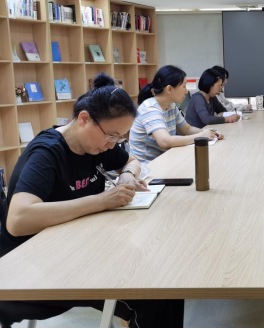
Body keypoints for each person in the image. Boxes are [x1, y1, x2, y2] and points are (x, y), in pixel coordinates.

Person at [0, 74, 184, 328]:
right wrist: (101, 201)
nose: (112, 145)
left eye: (120, 138)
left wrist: (127, 177)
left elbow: (131, 161)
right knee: (154, 294)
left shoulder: (95, 144)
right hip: (31, 264)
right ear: (84, 119)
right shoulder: (47, 153)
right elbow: (18, 220)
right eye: (111, 135)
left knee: (168, 279)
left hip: (77, 248)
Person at [131, 65, 221, 163]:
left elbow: (186, 129)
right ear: (169, 89)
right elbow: (165, 141)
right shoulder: (150, 108)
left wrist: (209, 133)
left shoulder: (171, 106)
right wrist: (201, 136)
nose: (186, 91)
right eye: (184, 86)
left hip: (164, 160)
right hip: (147, 166)